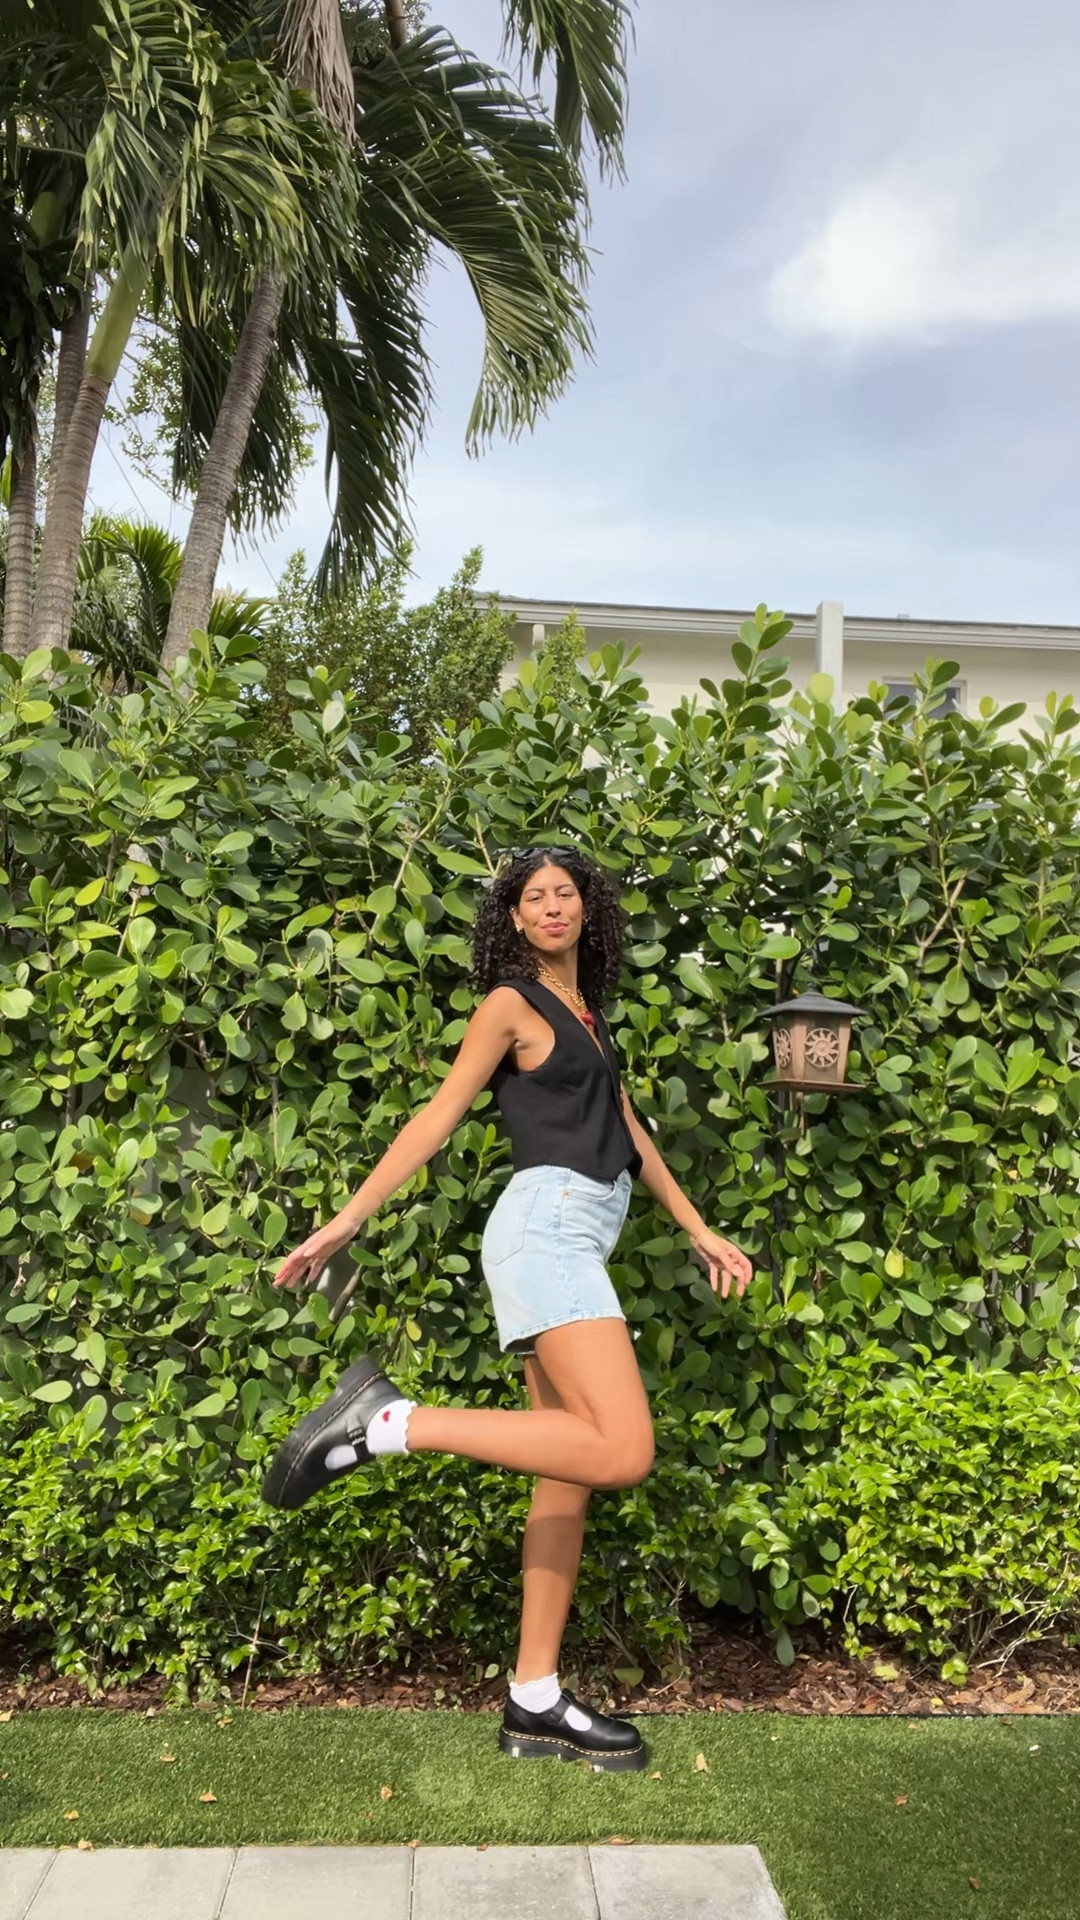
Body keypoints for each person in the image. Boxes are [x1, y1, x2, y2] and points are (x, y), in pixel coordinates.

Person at [262, 844, 752, 1771]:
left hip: (579, 1230)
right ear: (516, 921)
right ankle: (392, 1423)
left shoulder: (588, 1019)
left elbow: (631, 1133)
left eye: (568, 892)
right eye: (536, 897)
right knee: (624, 1450)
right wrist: (347, 1219)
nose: (555, 906)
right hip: (548, 1229)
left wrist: (695, 1228)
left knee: (565, 1469)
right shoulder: (510, 1007)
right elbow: (440, 1113)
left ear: (587, 910)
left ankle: (534, 1697)